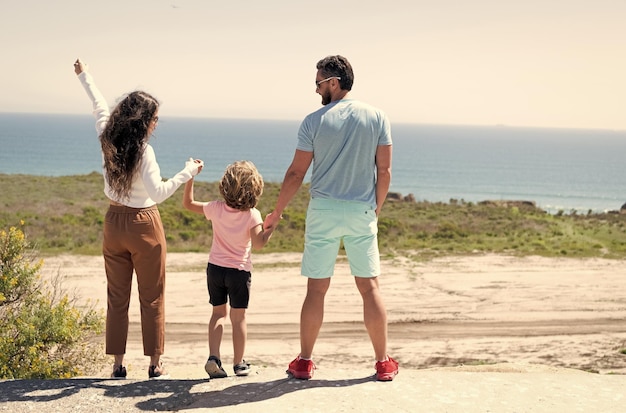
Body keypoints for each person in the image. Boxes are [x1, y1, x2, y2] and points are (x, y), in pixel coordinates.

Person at [263, 55, 398, 381]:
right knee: (369, 287)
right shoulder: (377, 116)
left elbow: (297, 172)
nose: (316, 90)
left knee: (316, 289)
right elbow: (385, 171)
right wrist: (375, 209)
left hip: (323, 210)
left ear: (334, 82)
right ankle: (383, 363)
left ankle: (304, 362)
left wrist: (277, 212)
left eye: (318, 83)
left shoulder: (313, 121)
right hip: (360, 210)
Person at [73, 58, 203, 380]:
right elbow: (158, 193)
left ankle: (117, 364)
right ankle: (154, 363)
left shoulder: (107, 137)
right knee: (152, 295)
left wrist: (84, 74)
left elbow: (98, 104)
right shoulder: (144, 151)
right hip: (144, 224)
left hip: (113, 224)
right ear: (143, 120)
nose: (156, 124)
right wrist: (189, 171)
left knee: (117, 297)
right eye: (155, 118)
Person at [182, 160, 273, 378]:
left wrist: (191, 176)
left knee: (217, 314)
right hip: (239, 271)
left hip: (215, 269)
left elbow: (188, 203)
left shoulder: (215, 208)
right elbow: (259, 244)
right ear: (255, 189)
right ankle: (239, 363)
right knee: (238, 317)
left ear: (225, 185)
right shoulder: (253, 215)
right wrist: (271, 228)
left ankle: (214, 357)